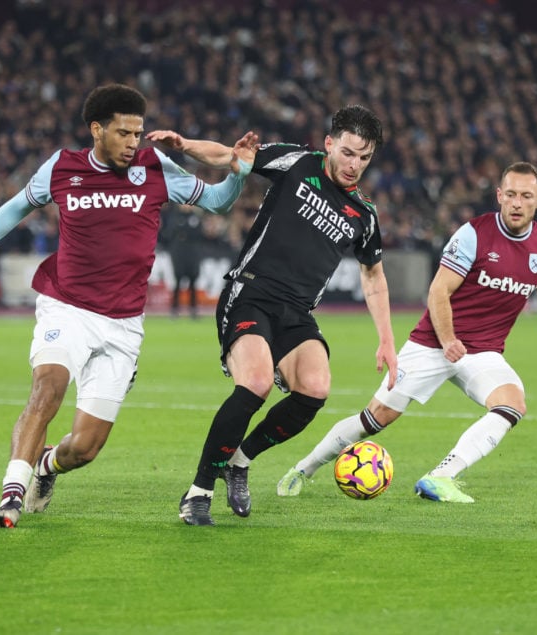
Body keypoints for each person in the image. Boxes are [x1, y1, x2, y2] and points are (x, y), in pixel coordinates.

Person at [0, 83, 258, 529]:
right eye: (124, 133)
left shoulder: (154, 166)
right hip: (66, 306)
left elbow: (219, 203)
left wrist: (238, 172)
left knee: (84, 448)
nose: (133, 143)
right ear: (97, 129)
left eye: (138, 133)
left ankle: (45, 468)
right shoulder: (62, 167)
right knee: (47, 389)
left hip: (124, 324)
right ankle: (11, 495)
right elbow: (12, 211)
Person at [148, 104, 399, 526]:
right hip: (250, 292)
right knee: (258, 383)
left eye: (365, 157)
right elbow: (233, 156)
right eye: (349, 152)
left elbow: (374, 277)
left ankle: (240, 461)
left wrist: (387, 340)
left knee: (316, 389)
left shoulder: (364, 215)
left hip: (296, 312)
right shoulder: (297, 162)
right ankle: (198, 491)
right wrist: (186, 145)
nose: (355, 165)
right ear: (330, 144)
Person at [278, 162, 537, 504]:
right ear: (499, 195)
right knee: (374, 418)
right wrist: (448, 340)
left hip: (483, 352)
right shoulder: (474, 235)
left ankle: (440, 477)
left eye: (525, 196)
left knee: (512, 404)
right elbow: (438, 291)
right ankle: (303, 469)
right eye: (510, 194)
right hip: (433, 343)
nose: (516, 203)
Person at [161, 204, 206, 318]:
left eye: (189, 204)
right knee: (177, 280)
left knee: (193, 281)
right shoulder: (174, 216)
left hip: (192, 254)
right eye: (184, 204)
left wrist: (183, 233)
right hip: (178, 254)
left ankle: (193, 308)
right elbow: (169, 233)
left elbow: (199, 234)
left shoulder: (195, 217)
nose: (187, 206)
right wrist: (185, 233)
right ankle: (175, 308)